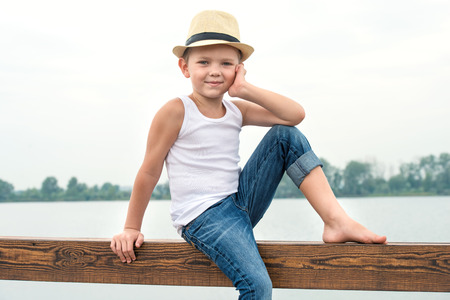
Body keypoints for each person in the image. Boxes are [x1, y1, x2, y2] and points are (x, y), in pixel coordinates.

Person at [111, 10, 387, 299]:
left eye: (226, 63)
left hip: (241, 202)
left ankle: (336, 221)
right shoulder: (176, 111)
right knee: (257, 286)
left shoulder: (236, 109)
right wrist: (131, 227)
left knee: (285, 136)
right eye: (203, 62)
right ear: (185, 67)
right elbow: (149, 171)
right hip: (204, 217)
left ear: (238, 69)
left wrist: (245, 90)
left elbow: (295, 115)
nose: (215, 70)